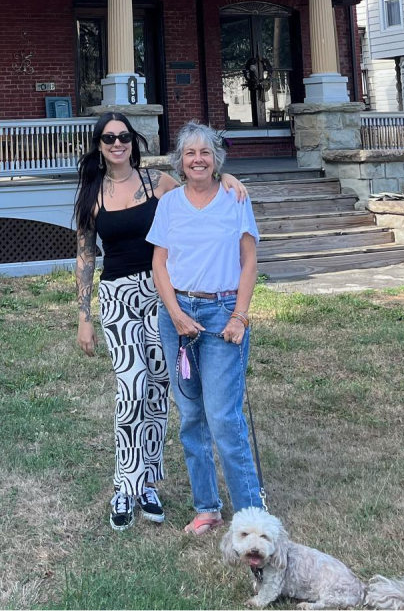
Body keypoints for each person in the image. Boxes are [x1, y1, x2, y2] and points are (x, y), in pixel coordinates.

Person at [74, 111, 247, 531]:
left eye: (124, 137)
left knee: (157, 392)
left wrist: (227, 179)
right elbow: (85, 255)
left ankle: (148, 482)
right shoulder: (92, 193)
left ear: (135, 142)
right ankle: (123, 485)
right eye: (108, 138)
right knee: (131, 389)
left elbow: (196, 186)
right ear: (98, 146)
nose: (117, 144)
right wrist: (83, 315)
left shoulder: (157, 184)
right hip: (118, 298)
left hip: (159, 294)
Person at [147, 119, 262, 535]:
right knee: (191, 415)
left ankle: (251, 517)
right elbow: (159, 262)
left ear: (217, 161)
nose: (197, 159)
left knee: (223, 416)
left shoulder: (234, 198)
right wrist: (175, 312)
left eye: (205, 153)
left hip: (222, 312)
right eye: (190, 153)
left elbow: (248, 260)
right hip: (177, 314)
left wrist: (240, 316)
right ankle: (207, 508)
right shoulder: (170, 203)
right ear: (180, 161)